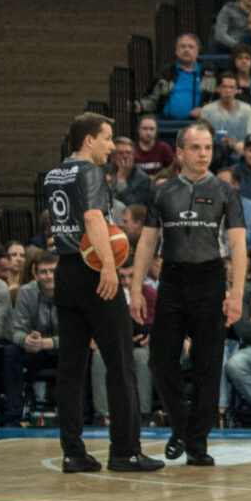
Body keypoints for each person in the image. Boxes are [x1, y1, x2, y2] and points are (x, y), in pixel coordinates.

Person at [38, 113, 160, 473]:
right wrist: (108, 265)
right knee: (120, 362)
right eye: (107, 139)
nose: (112, 146)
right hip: (92, 270)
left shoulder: (54, 175)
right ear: (88, 140)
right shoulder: (90, 172)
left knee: (70, 368)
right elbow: (93, 218)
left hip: (65, 270)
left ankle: (73, 452)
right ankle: (125, 451)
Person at [129, 125, 244, 465]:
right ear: (179, 153)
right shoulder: (162, 192)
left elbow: (238, 244)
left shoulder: (225, 192)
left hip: (210, 278)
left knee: (207, 365)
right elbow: (147, 242)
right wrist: (136, 289)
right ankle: (180, 424)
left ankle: (197, 443)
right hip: (172, 278)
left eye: (207, 147)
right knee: (160, 360)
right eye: (195, 147)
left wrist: (236, 293)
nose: (203, 153)